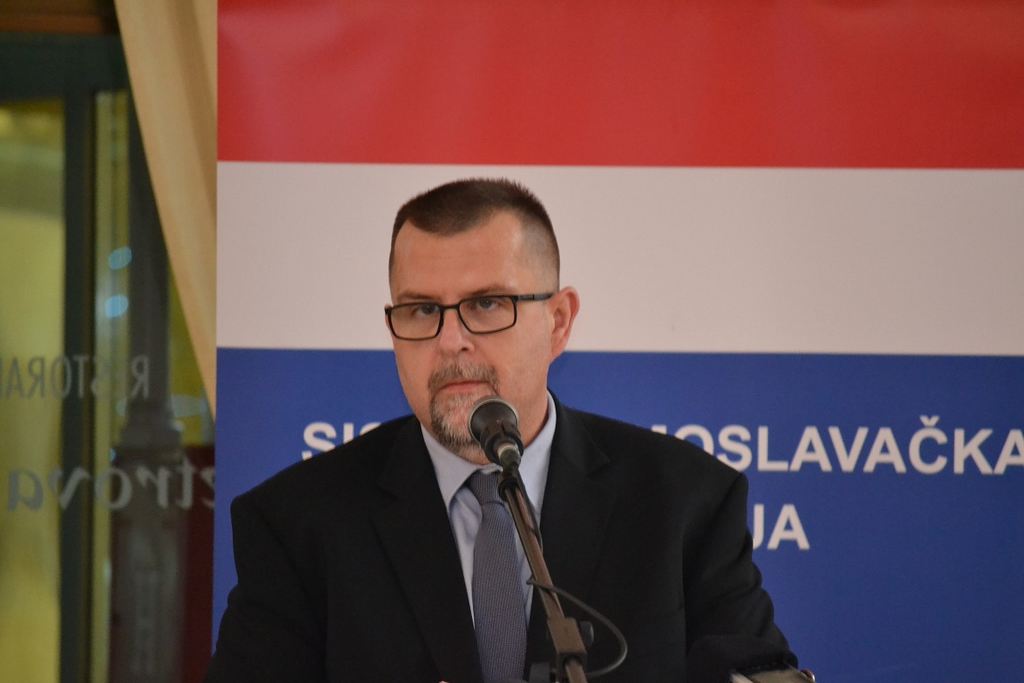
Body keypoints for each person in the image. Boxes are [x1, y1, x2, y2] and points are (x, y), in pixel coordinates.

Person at [206, 178, 790, 683]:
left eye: (486, 304)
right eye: (421, 310)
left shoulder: (686, 503)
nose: (450, 341)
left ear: (558, 322)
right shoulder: (297, 523)